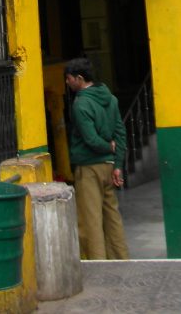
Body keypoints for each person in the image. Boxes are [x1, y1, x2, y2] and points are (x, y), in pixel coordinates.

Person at [65, 57, 129, 260]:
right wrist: (117, 163)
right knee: (112, 216)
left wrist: (106, 147)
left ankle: (97, 263)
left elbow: (91, 139)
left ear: (79, 78)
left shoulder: (81, 104)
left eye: (69, 79)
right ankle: (121, 259)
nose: (67, 83)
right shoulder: (110, 98)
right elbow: (120, 133)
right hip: (109, 167)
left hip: (89, 168)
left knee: (90, 220)